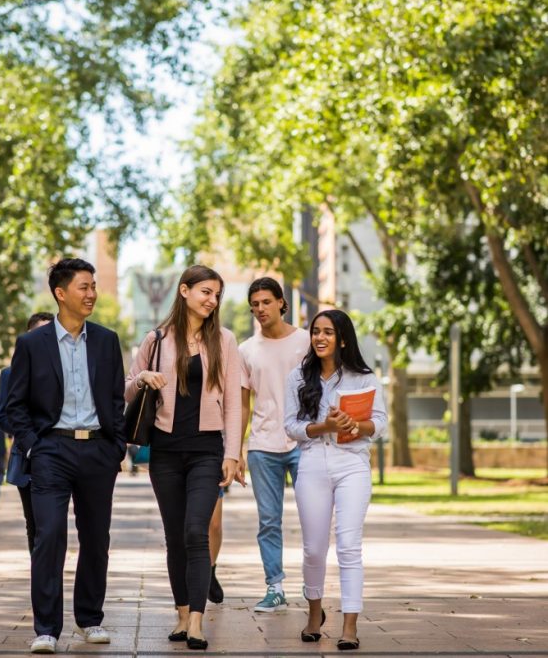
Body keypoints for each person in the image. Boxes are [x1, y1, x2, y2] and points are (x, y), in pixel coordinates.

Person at [7, 258, 126, 655]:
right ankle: (46, 629)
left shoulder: (107, 341)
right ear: (61, 294)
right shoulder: (31, 345)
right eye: (84, 287)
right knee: (50, 534)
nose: (92, 294)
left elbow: (115, 398)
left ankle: (90, 619)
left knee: (96, 538)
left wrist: (116, 446)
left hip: (97, 450)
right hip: (50, 451)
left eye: (94, 286)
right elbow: (13, 406)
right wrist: (32, 447)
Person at [125, 265, 244, 651]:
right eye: (206, 292)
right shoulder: (156, 340)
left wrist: (232, 453)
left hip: (207, 451)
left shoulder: (224, 340)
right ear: (184, 291)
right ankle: (180, 614)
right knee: (175, 536)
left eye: (216, 295)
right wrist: (143, 379)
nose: (212, 300)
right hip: (165, 453)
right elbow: (126, 390)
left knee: (196, 530)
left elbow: (232, 403)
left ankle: (196, 619)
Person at [284, 309, 387, 652]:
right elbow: (291, 427)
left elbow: (381, 422)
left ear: (343, 338)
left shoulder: (364, 377)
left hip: (352, 465)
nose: (320, 338)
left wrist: (355, 425)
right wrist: (324, 427)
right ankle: (314, 614)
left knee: (348, 546)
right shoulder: (299, 376)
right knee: (314, 549)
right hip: (312, 464)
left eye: (328, 332)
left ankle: (350, 625)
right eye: (316, 332)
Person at [238, 277, 311, 611]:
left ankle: (314, 587)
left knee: (314, 516)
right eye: (254, 304)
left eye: (266, 302)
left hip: (304, 442)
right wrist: (236, 450)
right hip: (263, 446)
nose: (260, 309)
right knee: (269, 520)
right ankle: (275, 587)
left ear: (282, 303)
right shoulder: (246, 350)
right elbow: (242, 404)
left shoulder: (307, 342)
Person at [0, 311, 53, 554]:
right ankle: (41, 577)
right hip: (26, 456)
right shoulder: (10, 374)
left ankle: (52, 573)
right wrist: (30, 436)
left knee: (53, 524)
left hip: (61, 455)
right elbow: (2, 417)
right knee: (35, 523)